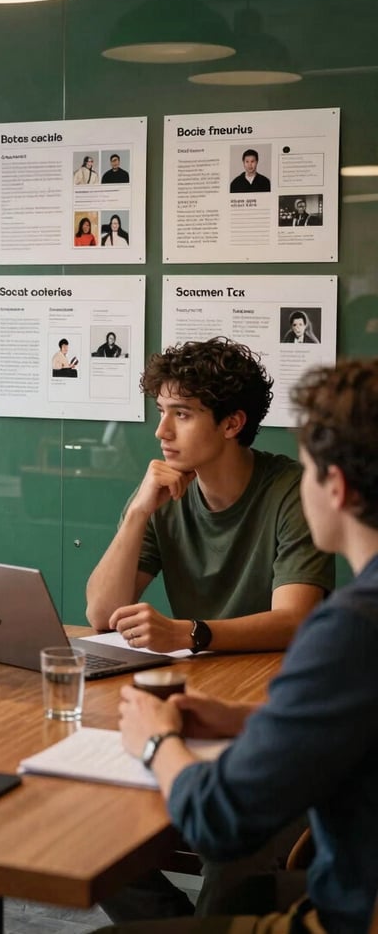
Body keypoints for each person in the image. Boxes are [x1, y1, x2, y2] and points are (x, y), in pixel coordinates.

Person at [96, 358, 378, 934]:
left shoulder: (350, 630)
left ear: (336, 487)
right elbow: (100, 613)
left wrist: (157, 742)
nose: (162, 431)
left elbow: (215, 819)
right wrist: (248, 719)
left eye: (306, 469)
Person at [86, 337, 332, 651]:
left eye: (182, 414)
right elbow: (102, 616)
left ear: (232, 424)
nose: (162, 431)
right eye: (162, 411)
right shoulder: (158, 492)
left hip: (275, 674)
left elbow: (293, 621)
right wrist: (138, 513)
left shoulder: (293, 491)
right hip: (198, 671)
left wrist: (187, 634)